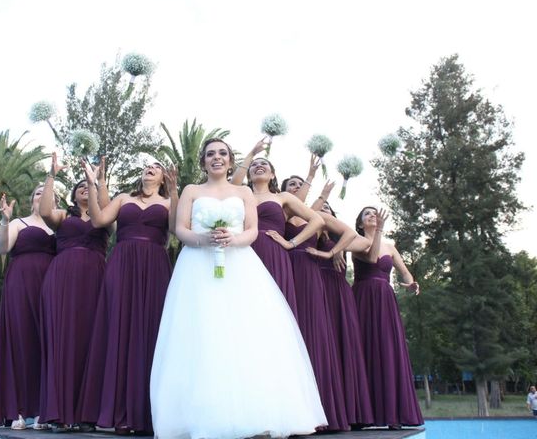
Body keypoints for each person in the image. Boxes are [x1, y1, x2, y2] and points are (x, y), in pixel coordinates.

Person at [150, 138, 327, 439]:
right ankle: (202, 416)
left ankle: (255, 413)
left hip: (240, 264)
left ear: (231, 161)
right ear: (203, 162)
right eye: (210, 154)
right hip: (196, 265)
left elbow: (252, 230)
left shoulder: (243, 191)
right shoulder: (192, 191)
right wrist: (202, 240)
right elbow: (180, 229)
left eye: (222, 153)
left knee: (245, 332)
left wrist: (234, 240)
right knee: (202, 332)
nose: (216, 158)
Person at [78, 162, 178, 434]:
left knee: (151, 330)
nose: (150, 168)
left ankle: (145, 413)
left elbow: (177, 228)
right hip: (122, 263)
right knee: (117, 328)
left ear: (162, 176)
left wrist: (174, 189)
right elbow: (99, 221)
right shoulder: (124, 198)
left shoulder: (169, 202)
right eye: (146, 166)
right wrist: (92, 182)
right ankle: (116, 412)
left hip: (154, 265)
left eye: (156, 167)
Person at [38, 153, 110, 432]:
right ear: (72, 193)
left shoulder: (104, 215)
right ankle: (61, 413)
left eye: (87, 185)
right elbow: (45, 212)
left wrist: (98, 182)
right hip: (62, 279)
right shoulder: (63, 216)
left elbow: (104, 210)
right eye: (79, 185)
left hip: (95, 279)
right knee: (63, 340)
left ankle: (88, 414)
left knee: (92, 341)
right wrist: (52, 174)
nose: (83, 187)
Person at [0, 185, 56, 430]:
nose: (43, 195)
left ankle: (42, 411)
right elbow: (1, 248)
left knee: (46, 346)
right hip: (22, 284)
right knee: (21, 342)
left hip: (51, 288)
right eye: (38, 192)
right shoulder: (19, 222)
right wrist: (4, 221)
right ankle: (17, 410)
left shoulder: (57, 226)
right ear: (32, 200)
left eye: (48, 194)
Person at [231, 139, 324, 316]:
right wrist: (251, 154)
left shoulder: (282, 197)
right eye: (254, 165)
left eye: (264, 163)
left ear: (273, 175)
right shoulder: (240, 194)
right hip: (243, 250)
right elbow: (232, 184)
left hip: (273, 253)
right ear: (248, 174)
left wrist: (292, 243)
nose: (259, 165)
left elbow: (317, 220)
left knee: (274, 308)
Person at [352, 206, 423, 429]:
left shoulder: (391, 247)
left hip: (385, 298)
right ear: (361, 224)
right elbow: (372, 257)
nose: (372, 215)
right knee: (364, 350)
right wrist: (379, 231)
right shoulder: (356, 240)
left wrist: (411, 282)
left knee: (388, 350)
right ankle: (363, 415)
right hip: (363, 297)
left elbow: (405, 271)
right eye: (367, 214)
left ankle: (393, 414)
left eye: (374, 212)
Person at [306, 200, 375, 428]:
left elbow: (365, 244)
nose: (323, 211)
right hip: (317, 288)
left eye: (327, 209)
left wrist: (338, 248)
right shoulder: (311, 232)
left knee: (344, 347)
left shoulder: (341, 238)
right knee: (322, 347)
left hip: (339, 292)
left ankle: (350, 412)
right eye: (319, 208)